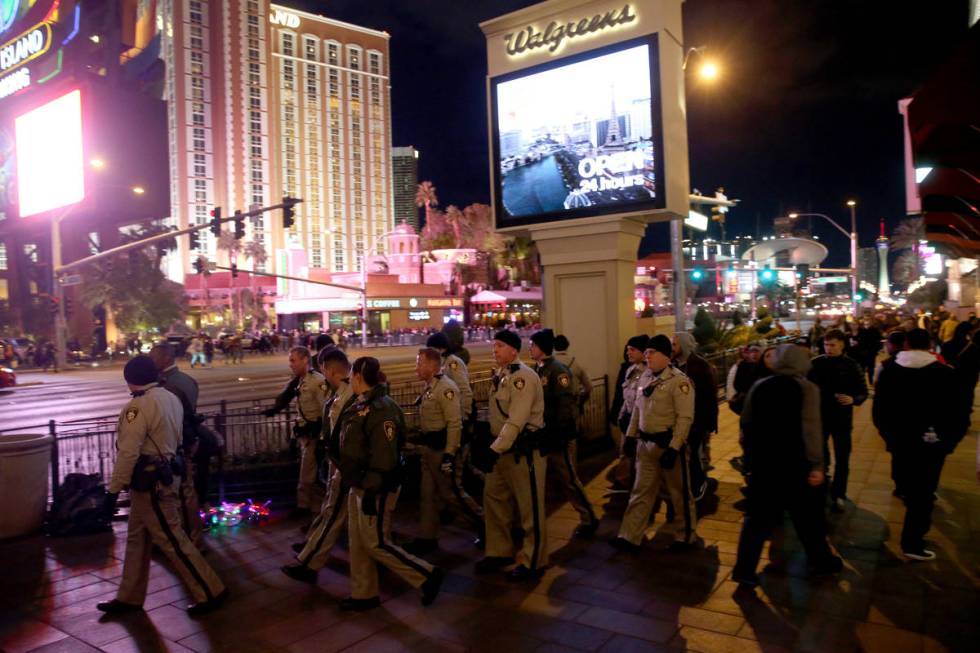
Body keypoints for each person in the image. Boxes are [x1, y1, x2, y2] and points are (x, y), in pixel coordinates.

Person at [96, 356, 226, 615]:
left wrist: (113, 490)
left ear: (129, 380)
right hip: (166, 475)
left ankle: (211, 590)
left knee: (173, 540)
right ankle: (129, 597)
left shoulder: (137, 408)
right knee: (137, 540)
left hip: (149, 484)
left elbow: (128, 453)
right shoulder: (170, 398)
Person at [338, 356, 444, 610]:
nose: (349, 380)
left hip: (374, 486)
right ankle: (363, 593)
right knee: (359, 541)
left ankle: (426, 574)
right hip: (358, 483)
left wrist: (372, 491)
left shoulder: (381, 409)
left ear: (359, 377)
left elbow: (385, 457)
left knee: (376, 543)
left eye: (351, 375)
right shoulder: (361, 404)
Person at [731, 344, 843, 586]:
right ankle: (822, 562)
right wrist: (817, 465)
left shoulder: (760, 386)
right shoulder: (807, 389)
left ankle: (744, 569)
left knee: (757, 520)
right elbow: (811, 430)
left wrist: (750, 459)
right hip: (795, 464)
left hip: (764, 465)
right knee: (807, 518)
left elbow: (747, 426)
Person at [873, 328, 962, 560]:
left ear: (906, 344)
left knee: (907, 482)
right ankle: (912, 542)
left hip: (900, 442)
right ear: (931, 345)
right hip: (931, 444)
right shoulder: (945, 373)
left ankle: (904, 493)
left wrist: (889, 437)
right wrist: (947, 442)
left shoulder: (889, 370)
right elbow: (958, 415)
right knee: (923, 494)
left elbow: (879, 411)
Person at [610, 335, 698, 553]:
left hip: (668, 446)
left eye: (652, 353)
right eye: (646, 352)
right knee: (641, 492)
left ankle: (686, 536)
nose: (647, 357)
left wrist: (674, 447)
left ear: (666, 356)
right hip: (645, 446)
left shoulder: (680, 382)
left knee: (679, 494)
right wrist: (631, 437)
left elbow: (685, 418)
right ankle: (629, 536)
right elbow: (637, 410)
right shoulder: (645, 377)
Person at [475, 329, 548, 581]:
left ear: (513, 350)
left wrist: (493, 450)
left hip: (522, 452)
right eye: (494, 345)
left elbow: (516, 420)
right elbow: (497, 416)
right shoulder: (502, 375)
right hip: (502, 450)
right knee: (494, 501)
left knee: (530, 509)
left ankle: (534, 560)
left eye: (499, 345)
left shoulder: (523, 378)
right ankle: (499, 551)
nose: (494, 350)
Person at [282, 348, 356, 582]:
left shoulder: (347, 395)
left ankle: (309, 562)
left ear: (331, 370)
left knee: (334, 515)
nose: (322, 373)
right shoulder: (340, 393)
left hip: (346, 468)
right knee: (332, 514)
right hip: (341, 466)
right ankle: (309, 560)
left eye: (323, 369)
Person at [403, 347, 483, 555]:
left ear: (432, 365)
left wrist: (449, 453)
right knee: (427, 496)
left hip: (441, 451)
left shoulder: (446, 388)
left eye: (420, 363)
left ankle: (484, 523)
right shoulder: (430, 387)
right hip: (429, 449)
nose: (416, 367)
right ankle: (428, 537)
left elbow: (454, 423)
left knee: (451, 494)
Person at [530, 329, 599, 539]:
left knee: (569, 479)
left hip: (557, 436)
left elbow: (564, 404)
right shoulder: (538, 369)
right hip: (543, 435)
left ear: (542, 348)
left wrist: (561, 433)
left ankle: (589, 518)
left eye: (533, 345)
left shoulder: (558, 371)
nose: (530, 348)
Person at [149, 343, 204, 545]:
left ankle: (189, 540)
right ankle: (190, 537)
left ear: (166, 359)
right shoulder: (188, 381)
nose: (150, 360)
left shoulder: (166, 384)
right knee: (185, 492)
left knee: (181, 493)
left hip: (174, 445)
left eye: (153, 356)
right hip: (183, 442)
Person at [262, 347, 327, 517]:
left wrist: (322, 438)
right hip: (304, 436)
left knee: (309, 476)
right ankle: (312, 511)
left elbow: (326, 411)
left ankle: (309, 510)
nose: (290, 364)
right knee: (308, 475)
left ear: (305, 360)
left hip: (314, 437)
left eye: (293, 360)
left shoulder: (317, 381)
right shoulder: (300, 380)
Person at [807, 329, 868, 512]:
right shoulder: (815, 364)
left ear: (842, 344)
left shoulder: (851, 365)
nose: (829, 348)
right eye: (826, 344)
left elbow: (862, 391)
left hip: (842, 418)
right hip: (820, 418)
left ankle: (839, 493)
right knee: (820, 456)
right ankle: (821, 489)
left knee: (843, 458)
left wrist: (854, 399)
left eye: (832, 345)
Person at [672, 332, 718, 500]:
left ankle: (698, 485)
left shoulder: (700, 366)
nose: (672, 347)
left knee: (694, 456)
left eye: (675, 344)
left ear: (683, 345)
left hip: (696, 420)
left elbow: (709, 397)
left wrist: (709, 423)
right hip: (678, 421)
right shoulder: (673, 365)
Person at [553, 334, 593, 419]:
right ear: (567, 346)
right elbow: (589, 387)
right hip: (572, 407)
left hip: (554, 410)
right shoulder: (576, 364)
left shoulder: (549, 365)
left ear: (554, 347)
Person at [726, 344, 762, 415]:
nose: (752, 354)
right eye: (744, 352)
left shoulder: (759, 365)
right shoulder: (740, 366)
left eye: (755, 351)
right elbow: (735, 384)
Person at [854, 316, 883, 387]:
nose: (867, 322)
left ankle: (870, 382)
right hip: (862, 352)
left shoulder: (875, 330)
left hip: (871, 352)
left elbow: (879, 341)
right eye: (866, 320)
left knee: (871, 368)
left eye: (869, 320)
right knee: (862, 368)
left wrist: (876, 350)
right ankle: (862, 382)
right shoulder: (861, 330)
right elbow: (857, 340)